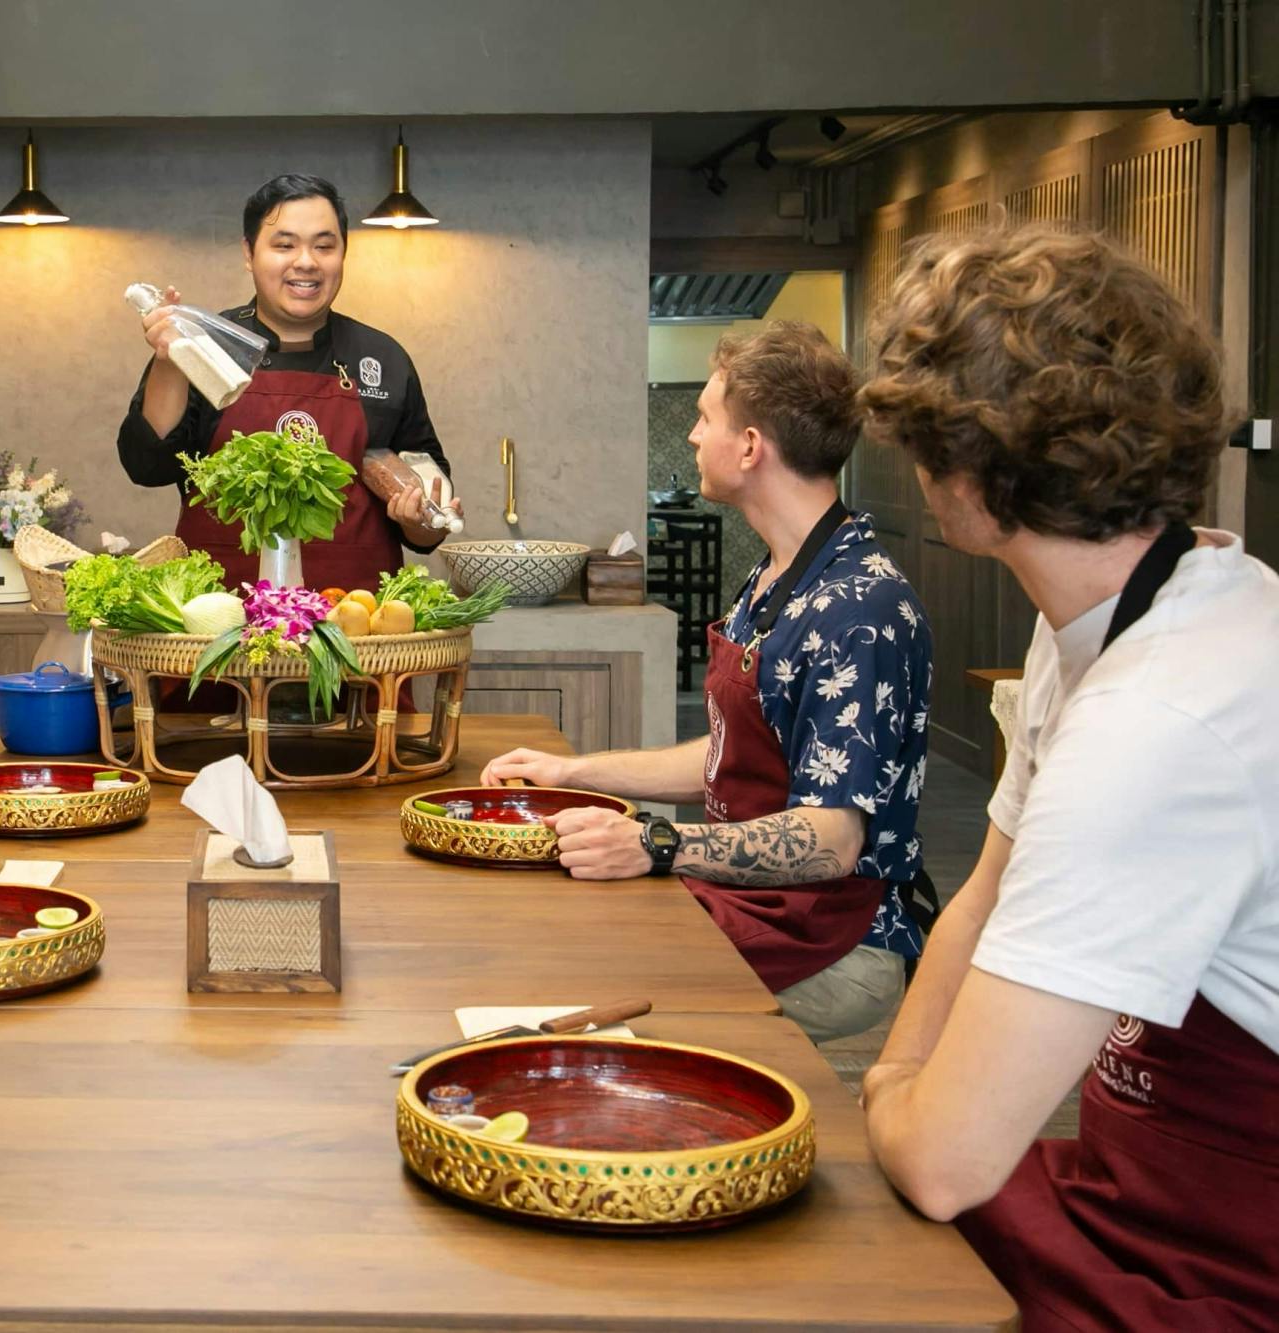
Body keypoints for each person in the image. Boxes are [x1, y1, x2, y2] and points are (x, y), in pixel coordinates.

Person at [857, 225, 1278, 1330]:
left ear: (973, 472)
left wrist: (904, 1107)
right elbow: (983, 892)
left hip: (1231, 1259)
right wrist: (895, 1081)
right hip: (1137, 1186)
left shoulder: (1158, 715)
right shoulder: (1117, 616)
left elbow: (945, 1162)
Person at [485, 322, 934, 1042]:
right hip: (750, 898)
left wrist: (656, 843)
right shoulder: (776, 575)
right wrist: (572, 770)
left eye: (704, 418)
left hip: (833, 936)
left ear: (751, 446)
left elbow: (831, 839)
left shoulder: (859, 608)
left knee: (583, 959)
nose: (693, 437)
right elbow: (728, 756)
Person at [117, 173, 461, 595]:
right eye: (284, 245)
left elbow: (426, 523)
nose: (306, 262)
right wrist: (170, 361)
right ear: (249, 253)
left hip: (357, 628)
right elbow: (146, 466)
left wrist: (421, 521)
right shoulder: (204, 346)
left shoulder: (382, 358)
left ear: (343, 254)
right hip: (222, 628)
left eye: (324, 245)